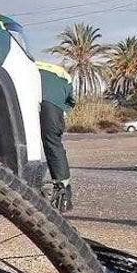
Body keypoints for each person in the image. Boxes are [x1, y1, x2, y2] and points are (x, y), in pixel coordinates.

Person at [36, 60, 77, 211]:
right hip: (52, 102)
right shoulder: (63, 75)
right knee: (52, 143)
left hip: (26, 93)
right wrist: (62, 113)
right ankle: (63, 193)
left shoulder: (33, 63)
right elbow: (71, 101)